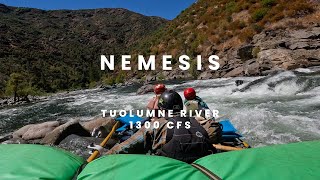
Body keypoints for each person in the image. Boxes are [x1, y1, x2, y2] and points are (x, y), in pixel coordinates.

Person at [104, 90, 216, 163]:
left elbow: (126, 147)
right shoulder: (199, 122)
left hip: (169, 169)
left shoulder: (155, 125)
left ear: (162, 109)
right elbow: (214, 131)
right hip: (198, 167)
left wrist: (104, 157)